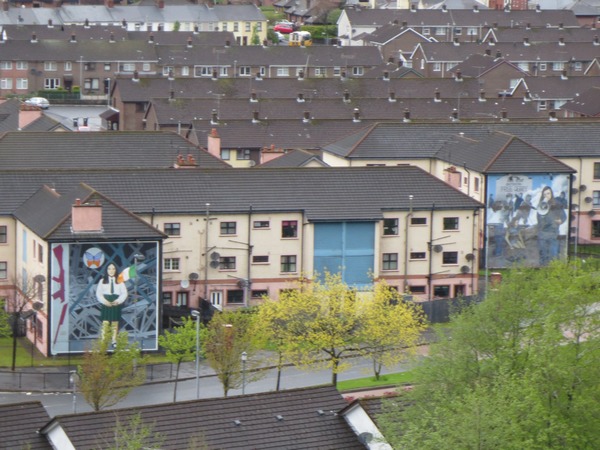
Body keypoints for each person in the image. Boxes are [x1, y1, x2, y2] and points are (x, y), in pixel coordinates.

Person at [95, 263, 128, 345]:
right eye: (109, 269)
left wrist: (118, 301)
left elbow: (124, 293)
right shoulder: (102, 281)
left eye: (113, 269)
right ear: (106, 270)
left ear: (116, 270)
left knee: (115, 322)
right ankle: (103, 340)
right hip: (106, 301)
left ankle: (114, 341)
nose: (111, 270)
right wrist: (104, 301)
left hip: (115, 302)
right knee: (105, 322)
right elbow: (98, 293)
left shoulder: (119, 280)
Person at [536, 186, 566, 265]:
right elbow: (539, 220)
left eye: (548, 193)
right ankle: (542, 273)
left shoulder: (557, 204)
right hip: (543, 233)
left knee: (554, 255)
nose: (547, 196)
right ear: (542, 195)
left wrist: (561, 221)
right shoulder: (540, 205)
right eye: (545, 194)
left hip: (553, 233)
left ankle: (553, 273)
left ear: (551, 194)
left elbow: (564, 216)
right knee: (543, 255)